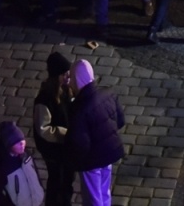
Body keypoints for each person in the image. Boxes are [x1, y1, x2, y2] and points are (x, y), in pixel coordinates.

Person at [65, 59, 124, 206]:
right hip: (109, 152)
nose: (69, 83)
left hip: (91, 161)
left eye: (72, 78)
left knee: (93, 198)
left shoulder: (78, 109)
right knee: (104, 191)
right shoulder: (109, 93)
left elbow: (80, 143)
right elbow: (120, 121)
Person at [32, 52, 72, 206]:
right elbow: (44, 129)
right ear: (56, 76)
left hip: (66, 146)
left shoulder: (67, 90)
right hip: (53, 150)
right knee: (57, 181)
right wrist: (66, 134)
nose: (68, 77)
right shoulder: (45, 99)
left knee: (67, 180)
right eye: (64, 74)